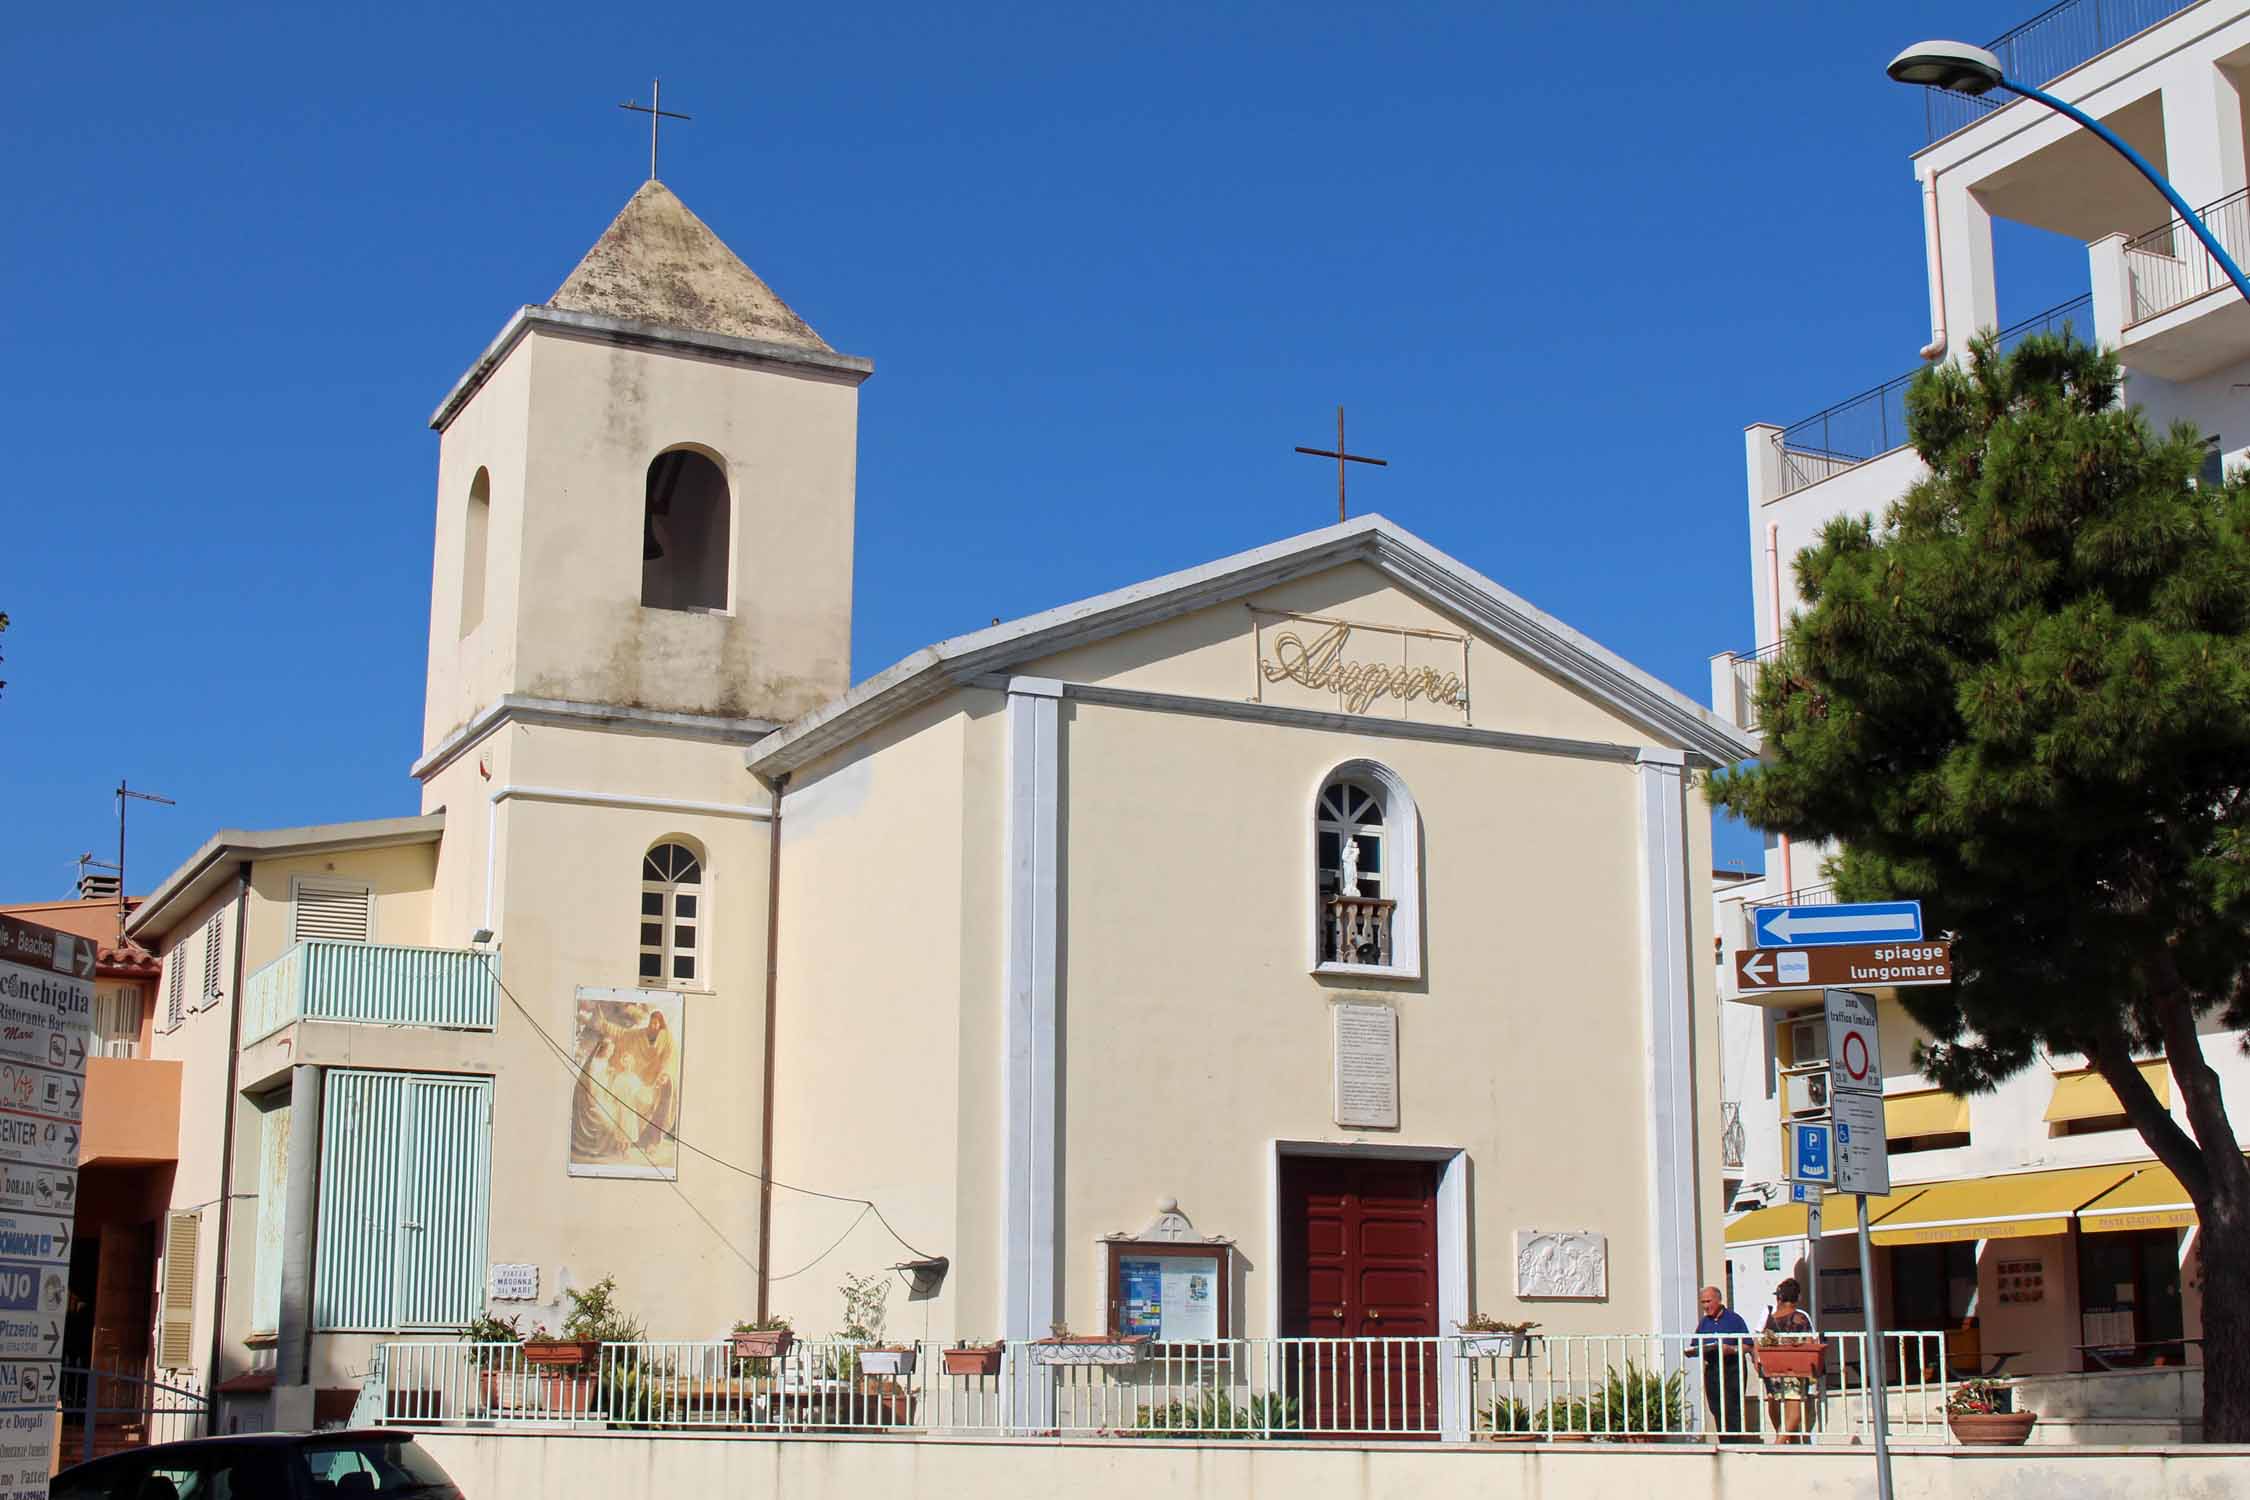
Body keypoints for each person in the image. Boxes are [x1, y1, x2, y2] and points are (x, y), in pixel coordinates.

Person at [1688, 1285, 1754, 1441]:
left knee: (1732, 1407)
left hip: (1732, 1367)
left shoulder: (1734, 1319)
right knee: (1716, 1407)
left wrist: (1732, 1349)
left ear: (1719, 1300)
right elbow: (1695, 1345)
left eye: (1708, 1301)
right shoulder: (1704, 1323)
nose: (1705, 1306)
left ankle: (1735, 1443)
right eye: (1702, 1302)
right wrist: (1695, 1351)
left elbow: (1748, 1345)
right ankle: (1724, 1441)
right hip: (1713, 1368)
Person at [1760, 1277, 1817, 1443]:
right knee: (1795, 1413)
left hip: (1773, 1368)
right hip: (1794, 1368)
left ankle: (1785, 1441)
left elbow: (1762, 1341)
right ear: (1798, 1298)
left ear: (1780, 1297)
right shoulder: (1800, 1318)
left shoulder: (1771, 1318)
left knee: (1776, 1404)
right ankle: (1778, 1444)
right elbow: (1809, 1343)